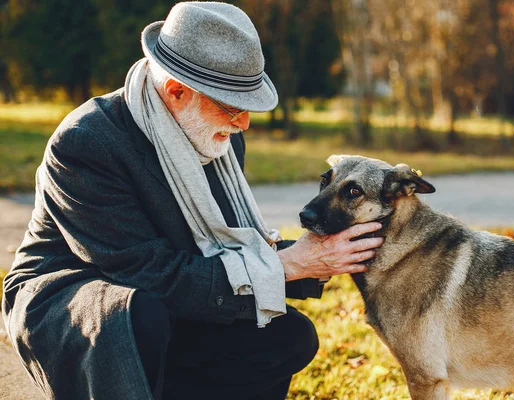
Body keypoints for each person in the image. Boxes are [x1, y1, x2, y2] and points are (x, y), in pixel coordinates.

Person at [1, 2, 384, 399]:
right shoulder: (88, 141)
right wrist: (288, 265)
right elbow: (144, 273)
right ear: (177, 91)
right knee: (138, 316)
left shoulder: (220, 137)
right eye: (232, 107)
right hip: (75, 295)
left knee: (290, 336)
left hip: (168, 288)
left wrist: (320, 255)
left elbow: (226, 246)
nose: (243, 124)